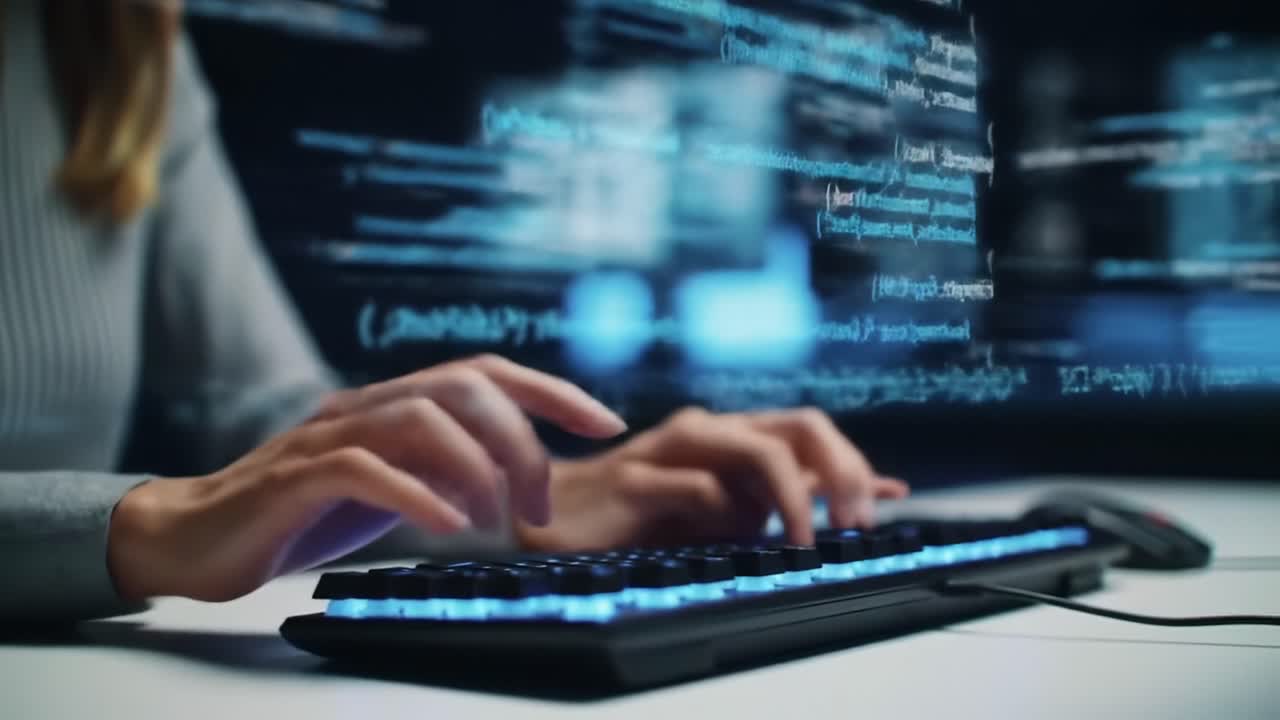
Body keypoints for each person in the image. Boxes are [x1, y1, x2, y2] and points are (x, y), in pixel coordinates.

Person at [0, 0, 908, 622]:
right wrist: (140, 524)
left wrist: (541, 500)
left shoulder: (120, 42)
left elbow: (267, 433)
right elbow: (210, 503)